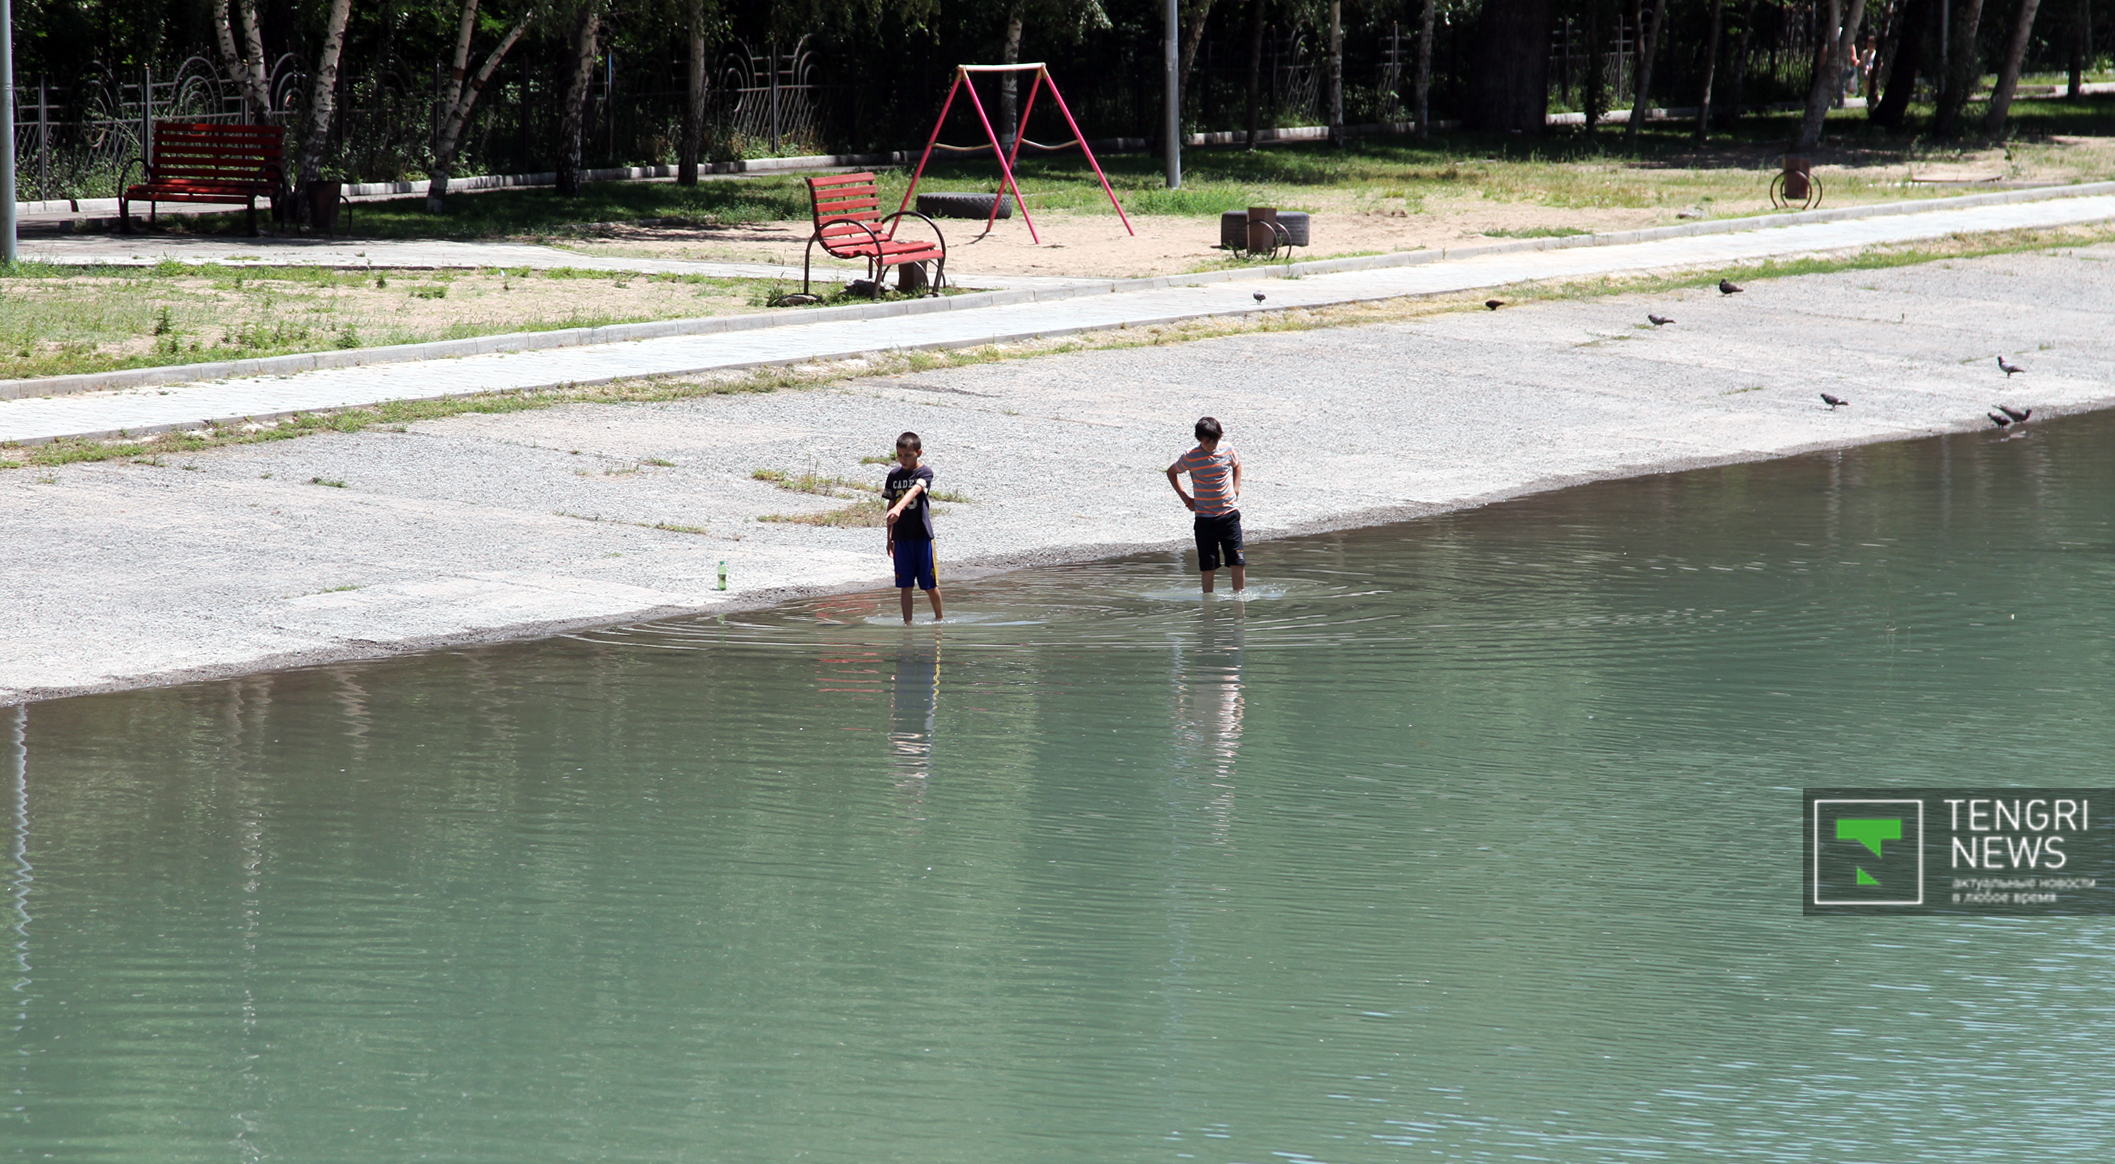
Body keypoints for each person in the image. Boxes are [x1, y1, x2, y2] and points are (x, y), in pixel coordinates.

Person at [1166, 416, 1245, 594]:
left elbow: (1237, 465)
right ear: (1200, 439)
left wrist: (1236, 488)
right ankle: (1208, 605)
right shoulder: (1190, 456)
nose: (1212, 445)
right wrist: (1186, 499)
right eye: (1208, 441)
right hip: (1205, 518)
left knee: (1237, 561)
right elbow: (1171, 472)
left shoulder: (1227, 449)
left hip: (1229, 514)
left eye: (1215, 440)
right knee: (1208, 565)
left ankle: (1239, 603)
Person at [883, 430, 945, 624]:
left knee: (929, 584)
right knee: (905, 585)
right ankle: (907, 624)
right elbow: (890, 505)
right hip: (901, 538)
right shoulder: (893, 475)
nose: (903, 460)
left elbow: (916, 488)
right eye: (899, 455)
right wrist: (889, 538)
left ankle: (939, 620)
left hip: (922, 536)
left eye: (908, 455)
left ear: (918, 453)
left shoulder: (925, 472)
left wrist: (901, 507)